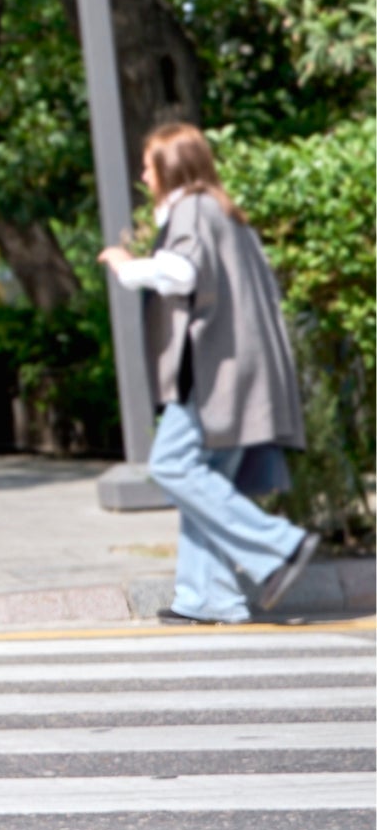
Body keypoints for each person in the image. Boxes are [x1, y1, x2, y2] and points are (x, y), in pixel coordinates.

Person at [101, 123, 318, 628]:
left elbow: (182, 273)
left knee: (173, 465)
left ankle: (278, 546)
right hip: (241, 373)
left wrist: (125, 267)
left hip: (215, 374)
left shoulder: (193, 209)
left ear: (172, 168)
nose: (143, 175)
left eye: (150, 166)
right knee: (206, 481)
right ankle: (209, 598)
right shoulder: (226, 214)